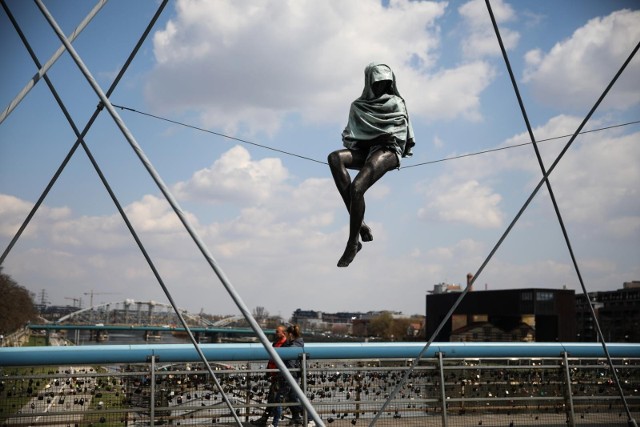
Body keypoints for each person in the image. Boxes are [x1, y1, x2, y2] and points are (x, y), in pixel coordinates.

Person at [328, 62, 415, 267]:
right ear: (368, 82)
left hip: (388, 151)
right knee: (334, 158)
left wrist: (379, 139)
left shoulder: (396, 102)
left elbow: (398, 136)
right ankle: (361, 224)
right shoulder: (358, 106)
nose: (381, 87)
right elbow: (352, 136)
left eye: (386, 83)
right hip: (367, 151)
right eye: (377, 83)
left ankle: (352, 242)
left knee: (358, 187)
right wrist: (372, 139)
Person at [251, 325, 288, 426]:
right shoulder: (275, 344)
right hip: (274, 376)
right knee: (272, 399)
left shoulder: (286, 345)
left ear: (283, 333)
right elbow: (271, 359)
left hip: (280, 377)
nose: (275, 333)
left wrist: (280, 374)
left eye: (277, 331)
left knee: (277, 400)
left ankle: (274, 423)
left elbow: (286, 361)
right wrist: (267, 372)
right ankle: (264, 419)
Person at [272, 324, 305, 426]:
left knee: (279, 398)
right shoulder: (298, 345)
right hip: (293, 376)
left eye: (286, 334)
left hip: (289, 377)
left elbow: (290, 364)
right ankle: (299, 418)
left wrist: (285, 375)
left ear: (290, 334)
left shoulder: (292, 347)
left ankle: (275, 424)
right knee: (292, 398)